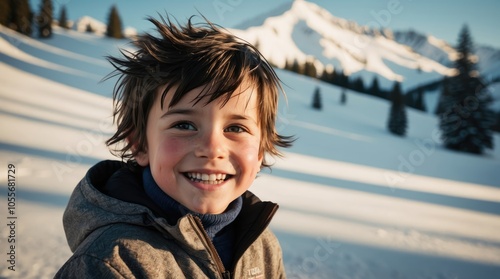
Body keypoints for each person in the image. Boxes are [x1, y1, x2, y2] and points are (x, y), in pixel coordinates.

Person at [55, 14, 293, 278]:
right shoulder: (114, 263)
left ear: (260, 152)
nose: (212, 148)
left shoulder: (262, 247)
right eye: (184, 125)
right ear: (140, 144)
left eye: (235, 128)